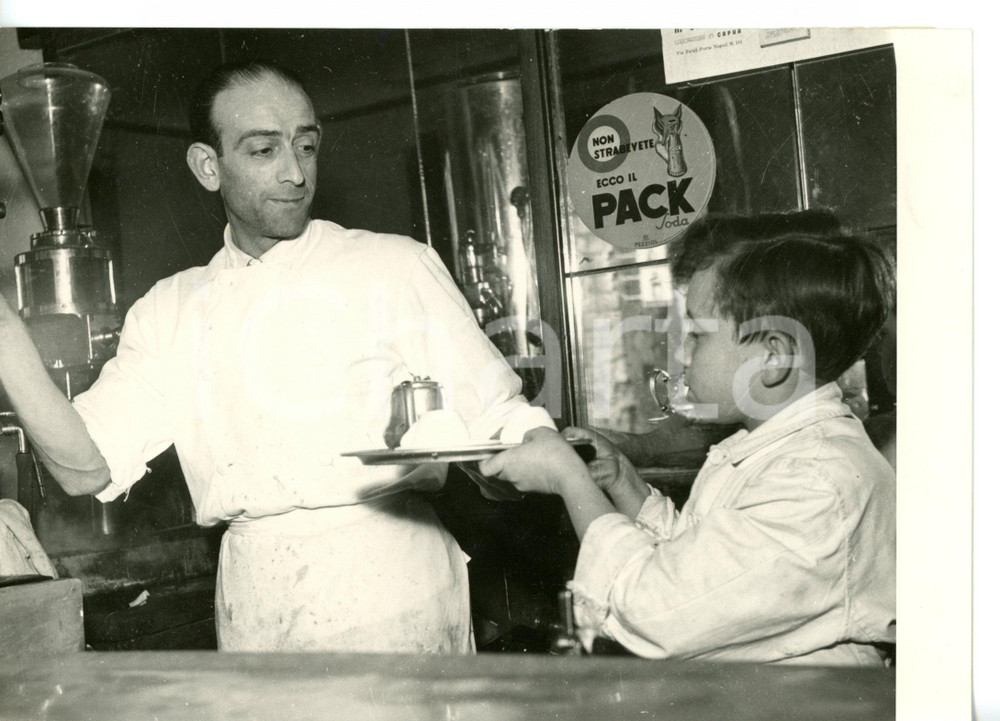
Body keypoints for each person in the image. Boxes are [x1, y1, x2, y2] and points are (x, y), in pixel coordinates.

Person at [0, 60, 552, 653]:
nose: (295, 173)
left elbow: (502, 417)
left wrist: (565, 467)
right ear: (207, 167)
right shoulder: (170, 310)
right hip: (255, 600)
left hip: (393, 592)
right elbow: (85, 467)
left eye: (306, 146)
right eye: (264, 151)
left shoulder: (392, 265)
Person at [480, 210, 896, 665]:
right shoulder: (782, 452)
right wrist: (625, 485)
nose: (682, 352)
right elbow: (705, 569)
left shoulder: (815, 481)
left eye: (698, 334)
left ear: (773, 358)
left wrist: (568, 479)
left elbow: (653, 609)